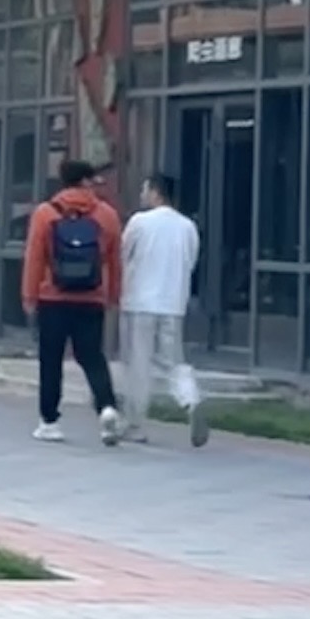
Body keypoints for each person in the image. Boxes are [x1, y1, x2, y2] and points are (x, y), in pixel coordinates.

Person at [22, 157, 123, 445]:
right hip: (91, 298)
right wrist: (113, 295)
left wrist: (29, 295)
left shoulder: (45, 213)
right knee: (92, 356)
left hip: (52, 297)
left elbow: (34, 258)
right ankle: (107, 407)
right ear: (87, 181)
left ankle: (50, 421)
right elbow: (115, 260)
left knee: (51, 359)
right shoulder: (107, 215)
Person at [117, 169, 209, 443]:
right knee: (173, 361)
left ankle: (135, 424)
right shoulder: (187, 227)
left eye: (145, 190)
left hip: (139, 302)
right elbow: (190, 262)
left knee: (138, 365)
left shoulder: (139, 222)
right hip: (172, 303)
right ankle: (191, 399)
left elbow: (123, 254)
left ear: (156, 193)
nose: (142, 195)